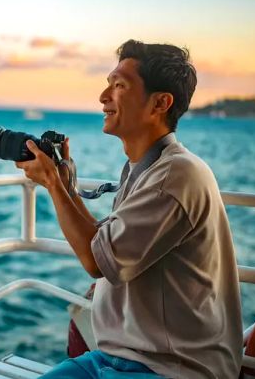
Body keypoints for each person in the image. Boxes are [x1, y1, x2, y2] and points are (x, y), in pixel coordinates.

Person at [16, 40, 242, 378]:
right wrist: (63, 184)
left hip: (171, 368)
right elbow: (103, 242)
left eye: (119, 85)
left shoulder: (176, 176)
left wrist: (51, 183)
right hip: (112, 358)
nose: (104, 96)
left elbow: (95, 262)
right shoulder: (148, 168)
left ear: (160, 103)